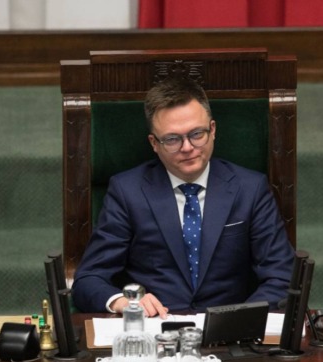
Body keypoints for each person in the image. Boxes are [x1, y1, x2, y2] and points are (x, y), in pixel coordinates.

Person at [71, 77, 295, 318]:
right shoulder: (127, 191)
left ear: (213, 130)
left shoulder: (250, 188)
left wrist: (236, 319)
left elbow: (282, 276)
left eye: (197, 134)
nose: (187, 147)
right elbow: (88, 279)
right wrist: (122, 302)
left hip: (231, 336)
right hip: (156, 332)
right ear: (154, 143)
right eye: (172, 139)